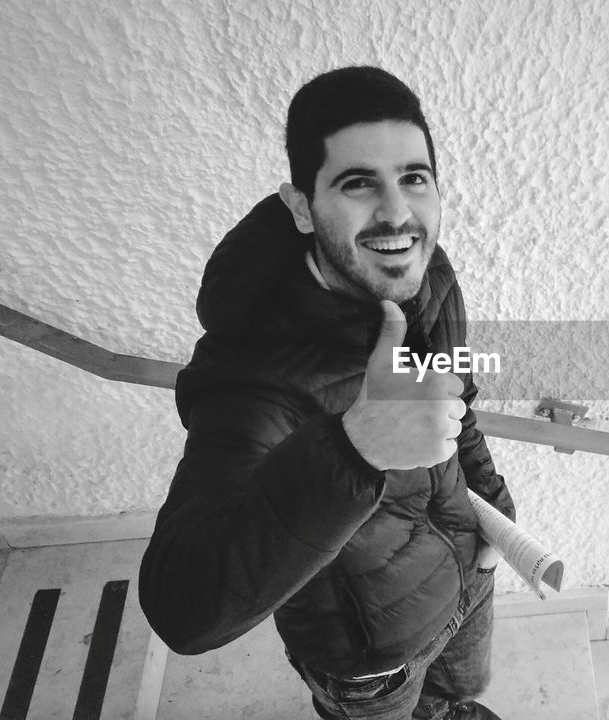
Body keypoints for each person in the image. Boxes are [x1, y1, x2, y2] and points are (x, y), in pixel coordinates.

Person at [138, 66, 514, 720]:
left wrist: (492, 503)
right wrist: (355, 449)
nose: (398, 212)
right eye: (359, 182)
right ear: (301, 206)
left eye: (414, 178)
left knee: (460, 700)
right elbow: (183, 610)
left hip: (467, 579)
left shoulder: (430, 277)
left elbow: (460, 404)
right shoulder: (256, 374)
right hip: (375, 661)